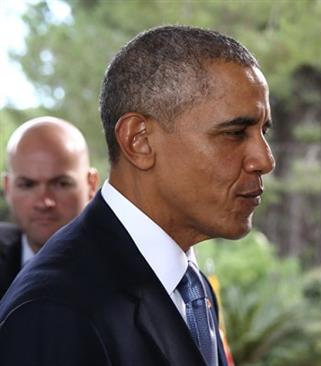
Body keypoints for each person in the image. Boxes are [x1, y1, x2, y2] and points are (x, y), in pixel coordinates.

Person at [0, 25, 274, 366]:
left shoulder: (189, 285)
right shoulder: (57, 311)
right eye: (234, 133)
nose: (265, 159)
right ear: (139, 140)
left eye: (263, 132)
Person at [0, 117, 98, 298]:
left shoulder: (130, 264)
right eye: (27, 185)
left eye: (61, 184)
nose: (44, 202)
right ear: (8, 187)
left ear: (91, 185)